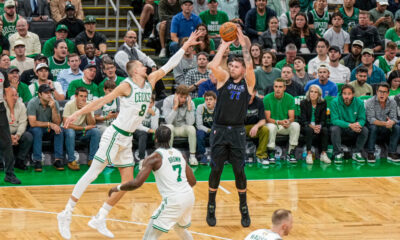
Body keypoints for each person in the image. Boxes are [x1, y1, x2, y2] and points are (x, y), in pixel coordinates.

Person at [57, 31, 202, 240]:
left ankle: (100, 216)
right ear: (134, 72)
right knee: (94, 172)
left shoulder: (151, 81)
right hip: (114, 134)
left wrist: (186, 44)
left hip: (127, 139)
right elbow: (101, 102)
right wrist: (76, 114)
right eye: (142, 66)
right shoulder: (126, 85)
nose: (146, 66)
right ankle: (67, 213)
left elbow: (169, 64)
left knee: (127, 182)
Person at [107, 126, 197, 240]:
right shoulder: (180, 154)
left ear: (155, 138)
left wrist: (118, 188)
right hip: (189, 197)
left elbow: (136, 183)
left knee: (149, 237)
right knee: (180, 229)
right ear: (170, 138)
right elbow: (193, 181)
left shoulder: (153, 158)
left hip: (173, 200)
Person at [206, 28, 254, 228]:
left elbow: (250, 64)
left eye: (236, 66)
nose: (233, 68)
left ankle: (244, 208)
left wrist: (243, 45)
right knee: (216, 169)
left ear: (242, 70)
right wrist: (224, 46)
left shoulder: (248, 83)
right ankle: (211, 205)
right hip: (219, 129)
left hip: (237, 131)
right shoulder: (224, 79)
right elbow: (212, 65)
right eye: (231, 65)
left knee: (239, 171)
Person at [27, 84, 64, 172]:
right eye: (46, 92)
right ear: (39, 94)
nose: (49, 94)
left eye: (50, 92)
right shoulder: (32, 103)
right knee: (37, 131)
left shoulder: (54, 103)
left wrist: (53, 108)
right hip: (35, 129)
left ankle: (57, 160)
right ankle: (37, 160)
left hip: (48, 129)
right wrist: (49, 124)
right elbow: (32, 123)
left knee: (59, 130)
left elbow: (57, 123)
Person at [63, 87, 101, 170]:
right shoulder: (69, 105)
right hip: (70, 130)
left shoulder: (88, 104)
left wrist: (87, 110)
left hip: (81, 132)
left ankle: (92, 160)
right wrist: (83, 128)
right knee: (70, 132)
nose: (83, 99)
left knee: (96, 132)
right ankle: (71, 161)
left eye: (85, 96)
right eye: (81, 96)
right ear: (76, 96)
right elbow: (66, 124)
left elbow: (92, 124)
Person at [264, 78, 300, 163]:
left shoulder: (290, 98)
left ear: (284, 88)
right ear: (273, 87)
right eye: (276, 86)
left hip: (284, 125)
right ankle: (271, 151)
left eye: (280, 87)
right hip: (272, 124)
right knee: (271, 127)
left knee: (295, 125)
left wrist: (288, 122)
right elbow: (267, 119)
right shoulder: (267, 98)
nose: (278, 89)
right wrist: (280, 122)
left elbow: (292, 117)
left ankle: (291, 152)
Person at [330, 84, 368, 163]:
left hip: (354, 128)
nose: (346, 96)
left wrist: (358, 125)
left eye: (349, 94)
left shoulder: (359, 102)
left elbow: (362, 118)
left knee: (364, 130)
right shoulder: (334, 102)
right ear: (341, 94)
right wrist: (350, 125)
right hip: (342, 128)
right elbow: (334, 120)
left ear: (353, 94)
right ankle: (337, 153)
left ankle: (357, 152)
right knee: (334, 129)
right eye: (344, 93)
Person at [162, 84, 197, 165]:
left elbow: (190, 123)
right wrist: (175, 106)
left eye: (185, 97)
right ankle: (168, 155)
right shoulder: (167, 101)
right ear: (176, 95)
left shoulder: (190, 102)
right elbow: (168, 121)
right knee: (169, 127)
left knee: (192, 128)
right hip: (172, 127)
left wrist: (189, 107)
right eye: (181, 97)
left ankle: (192, 157)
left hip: (182, 128)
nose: (183, 100)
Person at [365, 82, 400, 162]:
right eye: (380, 91)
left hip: (386, 127)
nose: (382, 94)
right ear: (376, 92)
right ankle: (370, 153)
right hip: (373, 126)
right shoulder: (370, 102)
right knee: (373, 127)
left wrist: (392, 122)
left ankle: (391, 153)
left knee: (397, 127)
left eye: (384, 92)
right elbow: (371, 119)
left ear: (388, 93)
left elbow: (394, 118)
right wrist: (385, 123)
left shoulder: (392, 102)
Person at [0, 65, 21, 184]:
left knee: (7, 143)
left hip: (0, 109)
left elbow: (8, 91)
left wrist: (12, 111)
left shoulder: (2, 72)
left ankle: (9, 174)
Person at [300, 85, 331, 165]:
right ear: (309, 93)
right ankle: (309, 154)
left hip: (318, 125)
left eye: (315, 92)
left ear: (319, 94)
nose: (313, 94)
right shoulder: (303, 103)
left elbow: (323, 119)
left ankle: (323, 154)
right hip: (307, 126)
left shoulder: (323, 103)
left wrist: (319, 126)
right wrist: (312, 126)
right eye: (311, 91)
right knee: (309, 130)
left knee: (324, 129)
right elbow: (303, 120)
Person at [4, 86, 32, 170]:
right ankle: (2, 162)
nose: (15, 97)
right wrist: (9, 136)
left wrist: (18, 135)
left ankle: (20, 161)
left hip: (16, 133)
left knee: (28, 136)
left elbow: (23, 123)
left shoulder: (21, 105)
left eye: (16, 95)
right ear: (4, 96)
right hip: (4, 133)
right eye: (12, 95)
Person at [134, 94, 159, 168]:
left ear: (153, 103)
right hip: (136, 131)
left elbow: (155, 128)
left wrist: (153, 115)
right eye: (146, 102)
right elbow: (137, 125)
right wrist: (149, 130)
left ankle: (159, 158)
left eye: (150, 103)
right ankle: (141, 160)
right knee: (143, 134)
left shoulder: (156, 110)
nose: (148, 105)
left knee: (159, 133)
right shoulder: (139, 109)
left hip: (149, 132)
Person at [245, 89, 269, 165]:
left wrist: (256, 126)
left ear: (255, 93)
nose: (249, 94)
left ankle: (261, 156)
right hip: (242, 126)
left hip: (255, 126)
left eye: (251, 92)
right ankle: (238, 156)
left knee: (265, 130)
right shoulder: (239, 101)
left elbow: (263, 120)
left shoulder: (259, 101)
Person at [195, 90, 215, 164]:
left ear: (215, 100)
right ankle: (201, 156)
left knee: (222, 131)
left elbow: (221, 123)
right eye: (206, 99)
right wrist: (210, 130)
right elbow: (199, 125)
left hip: (215, 129)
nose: (208, 101)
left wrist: (214, 130)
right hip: (204, 130)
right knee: (199, 133)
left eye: (210, 99)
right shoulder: (200, 107)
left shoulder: (218, 108)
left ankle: (218, 156)